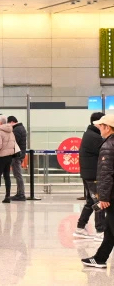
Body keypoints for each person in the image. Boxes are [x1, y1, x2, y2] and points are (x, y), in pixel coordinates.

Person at [83, 114, 114, 268]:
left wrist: (104, 196)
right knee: (109, 228)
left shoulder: (108, 145)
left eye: (101, 126)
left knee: (112, 226)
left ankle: (100, 258)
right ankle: (100, 258)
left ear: (107, 128)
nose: (99, 129)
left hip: (112, 194)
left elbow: (106, 174)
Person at [77, 112, 107, 240]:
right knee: (99, 202)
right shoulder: (95, 137)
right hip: (93, 175)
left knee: (90, 202)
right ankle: (100, 231)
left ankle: (80, 228)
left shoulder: (90, 134)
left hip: (89, 174)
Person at [0, 115, 17, 203]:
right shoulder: (11, 131)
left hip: (1, 157)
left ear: (0, 123)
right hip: (9, 156)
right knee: (7, 176)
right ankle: (7, 196)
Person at [7, 116, 27, 202]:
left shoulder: (17, 130)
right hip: (19, 154)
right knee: (17, 175)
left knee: (18, 175)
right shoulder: (20, 128)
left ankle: (21, 194)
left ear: (11, 122)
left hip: (16, 155)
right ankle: (19, 193)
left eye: (8, 124)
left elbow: (13, 142)